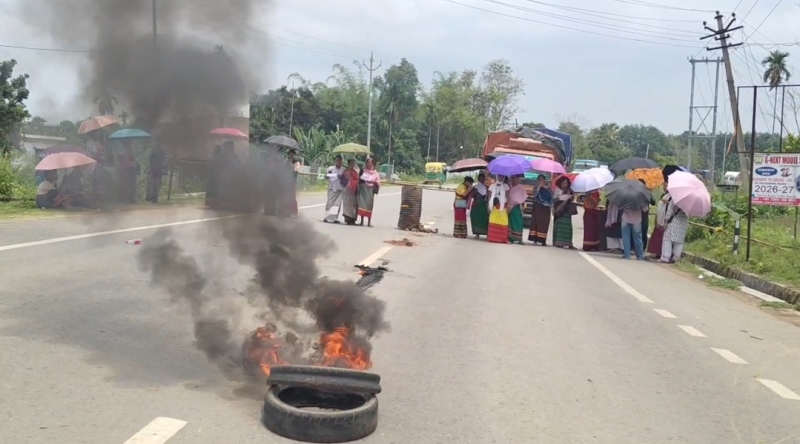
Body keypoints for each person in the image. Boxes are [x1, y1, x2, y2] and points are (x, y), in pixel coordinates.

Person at [661, 193, 688, 263]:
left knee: (667, 239)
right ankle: (676, 258)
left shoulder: (675, 199)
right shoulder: (688, 203)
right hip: (683, 224)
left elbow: (669, 211)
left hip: (673, 222)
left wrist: (666, 221)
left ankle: (665, 257)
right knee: (679, 242)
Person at [551, 176, 575, 249]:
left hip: (567, 211)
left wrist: (570, 197)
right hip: (559, 211)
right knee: (559, 226)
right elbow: (554, 200)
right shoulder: (557, 190)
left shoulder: (569, 191)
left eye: (566, 183)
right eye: (563, 183)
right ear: (560, 183)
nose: (565, 184)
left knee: (568, 227)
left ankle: (568, 242)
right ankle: (558, 242)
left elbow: (572, 198)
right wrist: (559, 198)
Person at [528, 175, 552, 245]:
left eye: (542, 179)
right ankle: (535, 239)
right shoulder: (536, 188)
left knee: (544, 224)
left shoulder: (548, 189)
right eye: (539, 179)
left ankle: (543, 240)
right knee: (535, 223)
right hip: (537, 207)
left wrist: (551, 206)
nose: (541, 181)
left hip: (546, 208)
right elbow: (534, 195)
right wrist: (539, 188)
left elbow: (551, 198)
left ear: (544, 180)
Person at [357, 157, 381, 227]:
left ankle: (369, 222)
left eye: (370, 162)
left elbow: (378, 181)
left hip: (370, 191)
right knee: (362, 205)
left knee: (369, 205)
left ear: (372, 163)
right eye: (368, 162)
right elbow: (360, 179)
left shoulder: (375, 173)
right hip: (363, 189)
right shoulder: (363, 171)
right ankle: (361, 221)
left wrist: (373, 181)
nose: (369, 164)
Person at [324, 155, 346, 223]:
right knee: (330, 203)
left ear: (341, 162)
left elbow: (346, 179)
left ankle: (335, 218)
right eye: (337, 160)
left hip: (339, 189)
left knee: (337, 204)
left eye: (340, 161)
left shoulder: (343, 169)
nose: (338, 162)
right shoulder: (331, 168)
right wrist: (329, 174)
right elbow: (326, 177)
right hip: (332, 188)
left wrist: (341, 177)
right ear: (335, 161)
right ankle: (327, 217)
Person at [507, 175, 527, 244]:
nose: (515, 180)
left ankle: (519, 239)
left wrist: (524, 207)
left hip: (518, 207)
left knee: (519, 222)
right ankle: (510, 238)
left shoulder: (521, 188)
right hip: (510, 207)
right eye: (513, 178)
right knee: (510, 223)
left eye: (516, 178)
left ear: (518, 179)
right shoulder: (509, 187)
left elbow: (524, 198)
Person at [468, 173, 489, 238]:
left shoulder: (487, 187)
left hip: (484, 206)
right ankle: (477, 234)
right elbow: (471, 196)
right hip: (476, 205)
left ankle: (487, 233)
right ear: (478, 179)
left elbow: (489, 196)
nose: (482, 180)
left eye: (483, 178)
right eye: (481, 178)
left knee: (485, 219)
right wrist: (472, 190)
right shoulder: (475, 187)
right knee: (476, 219)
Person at [341, 159, 360, 225]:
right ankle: (348, 218)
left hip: (354, 189)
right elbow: (345, 179)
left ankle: (353, 219)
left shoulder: (354, 171)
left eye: (353, 163)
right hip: (347, 189)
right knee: (348, 205)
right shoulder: (346, 171)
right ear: (349, 164)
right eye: (351, 163)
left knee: (354, 204)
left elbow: (357, 179)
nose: (353, 165)